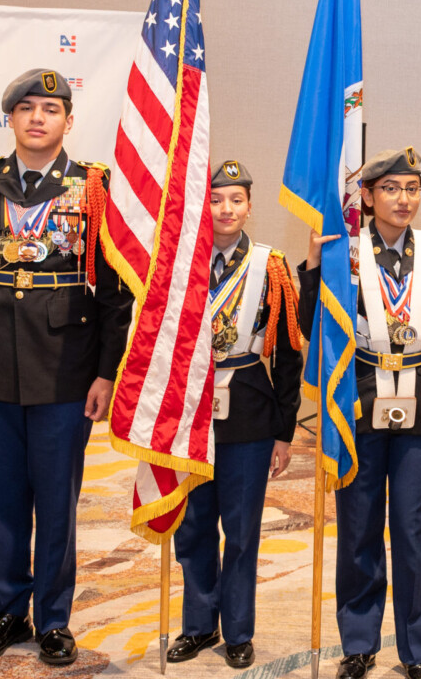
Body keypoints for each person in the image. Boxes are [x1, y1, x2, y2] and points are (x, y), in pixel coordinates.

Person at [0, 68, 133, 666]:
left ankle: (52, 618)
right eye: (26, 108)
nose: (38, 117)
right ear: (11, 119)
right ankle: (4, 615)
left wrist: (105, 374)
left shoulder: (95, 188)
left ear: (69, 121)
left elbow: (115, 295)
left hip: (65, 371)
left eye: (51, 108)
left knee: (55, 500)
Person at [298, 147, 421, 679]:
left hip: (420, 399)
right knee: (358, 524)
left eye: (413, 189)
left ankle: (417, 650)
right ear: (369, 196)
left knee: (412, 527)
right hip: (356, 396)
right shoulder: (343, 250)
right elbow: (313, 324)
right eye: (392, 189)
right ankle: (358, 642)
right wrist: (313, 266)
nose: (404, 199)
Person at [165, 160, 304, 670]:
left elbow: (289, 355)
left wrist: (283, 432)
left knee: (241, 531)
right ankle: (198, 626)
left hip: (248, 410)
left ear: (250, 205)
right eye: (216, 199)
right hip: (189, 413)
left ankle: (239, 631)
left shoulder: (270, 265)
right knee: (193, 525)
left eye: (236, 199)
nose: (226, 209)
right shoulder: (181, 263)